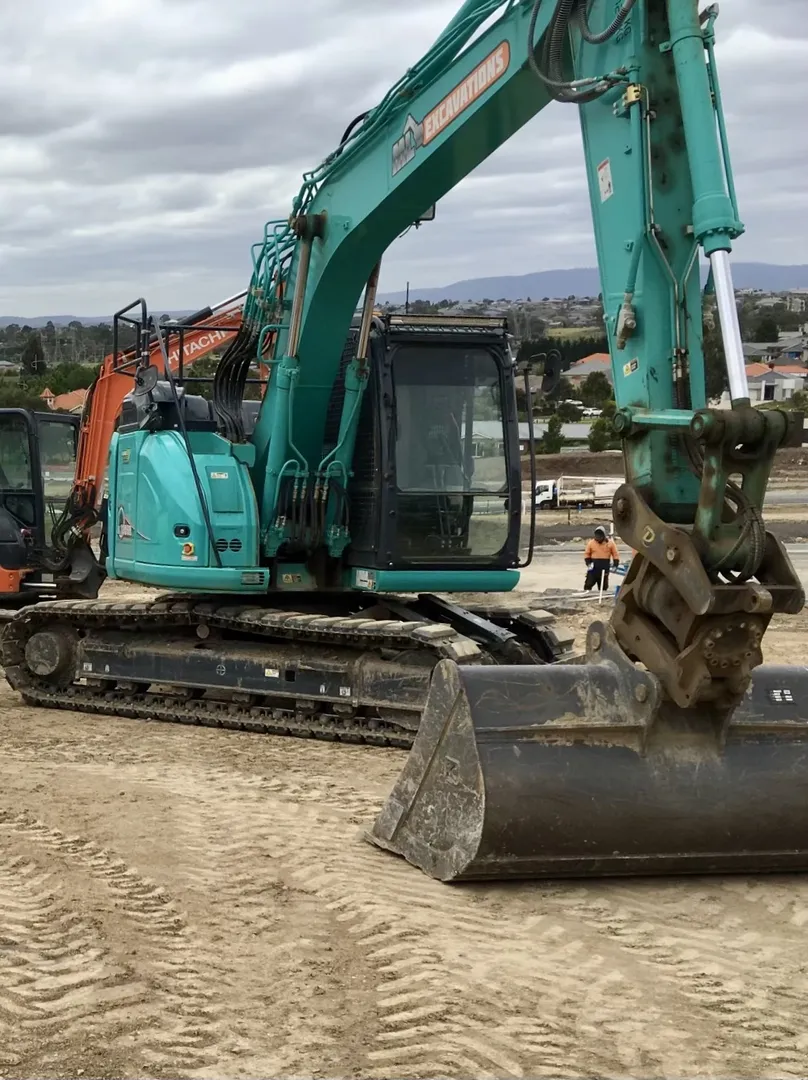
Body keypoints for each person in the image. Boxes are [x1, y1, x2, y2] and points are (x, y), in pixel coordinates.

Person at [583, 525, 620, 592]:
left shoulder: (610, 544)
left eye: (600, 536)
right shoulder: (591, 543)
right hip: (593, 568)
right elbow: (586, 554)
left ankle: (602, 596)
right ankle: (587, 594)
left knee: (603, 586)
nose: (598, 538)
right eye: (597, 536)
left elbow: (615, 554)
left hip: (604, 568)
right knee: (588, 584)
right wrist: (588, 563)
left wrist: (615, 565)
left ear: (603, 535)